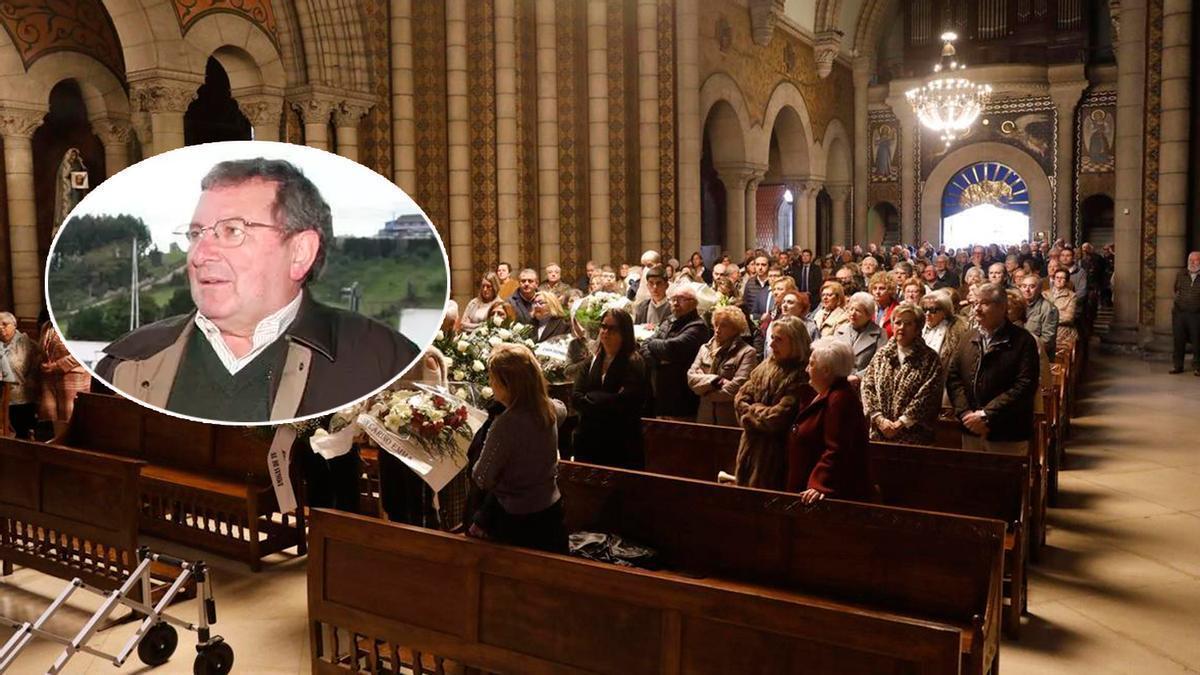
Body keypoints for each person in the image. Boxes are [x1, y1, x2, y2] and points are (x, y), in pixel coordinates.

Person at [94, 158, 419, 423]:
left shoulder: (386, 362)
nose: (199, 255)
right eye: (196, 234)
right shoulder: (125, 365)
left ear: (300, 252)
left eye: (232, 230)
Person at [470, 343, 568, 553]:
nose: (490, 383)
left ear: (508, 384)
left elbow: (482, 477)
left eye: (492, 378)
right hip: (550, 510)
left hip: (517, 520)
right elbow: (563, 409)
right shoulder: (549, 408)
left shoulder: (507, 424)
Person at [946, 283, 1040, 453]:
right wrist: (966, 414)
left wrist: (985, 415)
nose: (977, 309)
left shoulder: (1023, 341)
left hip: (1006, 432)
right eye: (975, 304)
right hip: (970, 429)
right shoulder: (968, 337)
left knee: (1005, 479)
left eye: (984, 303)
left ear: (1003, 307)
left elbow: (1025, 385)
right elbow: (953, 377)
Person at [786, 338, 876, 504]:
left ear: (826, 370)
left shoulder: (840, 399)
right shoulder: (824, 393)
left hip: (835, 497)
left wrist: (820, 484)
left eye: (811, 364)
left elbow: (837, 448)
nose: (806, 369)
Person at [733, 316, 814, 490]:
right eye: (772, 338)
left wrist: (751, 412)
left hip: (777, 456)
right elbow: (740, 399)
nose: (771, 345)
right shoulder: (765, 366)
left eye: (779, 340)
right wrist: (757, 412)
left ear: (795, 342)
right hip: (751, 448)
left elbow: (780, 416)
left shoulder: (803, 374)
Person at [571, 308, 648, 468]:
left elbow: (626, 403)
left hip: (620, 442)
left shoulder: (634, 362)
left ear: (624, 332)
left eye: (612, 328)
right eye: (603, 326)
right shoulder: (591, 361)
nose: (605, 332)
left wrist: (591, 398)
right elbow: (576, 398)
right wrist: (607, 398)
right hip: (589, 439)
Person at [861, 305, 945, 445]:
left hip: (914, 436)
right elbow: (868, 387)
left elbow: (928, 395)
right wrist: (879, 419)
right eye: (898, 322)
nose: (901, 327)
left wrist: (901, 423)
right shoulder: (882, 355)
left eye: (908, 324)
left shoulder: (929, 358)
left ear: (918, 328)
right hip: (880, 433)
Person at [640, 284, 712, 419]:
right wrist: (657, 361)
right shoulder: (669, 320)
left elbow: (671, 349)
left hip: (681, 397)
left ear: (693, 303)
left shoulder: (698, 327)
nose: (675, 303)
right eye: (672, 299)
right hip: (661, 395)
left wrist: (654, 345)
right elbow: (644, 345)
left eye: (680, 299)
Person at [687, 305, 758, 426]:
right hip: (704, 418)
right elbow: (691, 379)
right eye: (715, 324)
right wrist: (717, 381)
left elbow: (736, 389)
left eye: (723, 325)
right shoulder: (704, 349)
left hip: (729, 420)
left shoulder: (747, 352)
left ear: (736, 328)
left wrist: (703, 390)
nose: (717, 329)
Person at [37, 309, 90, 429]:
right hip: (49, 377)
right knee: (48, 413)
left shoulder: (78, 323)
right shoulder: (47, 325)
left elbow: (81, 353)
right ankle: (53, 443)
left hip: (73, 375)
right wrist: (42, 362)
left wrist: (56, 366)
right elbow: (42, 349)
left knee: (69, 414)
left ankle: (71, 444)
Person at [0, 313, 41, 439]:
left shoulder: (28, 344)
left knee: (21, 435)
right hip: (2, 398)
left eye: (4, 324)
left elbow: (29, 371)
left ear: (14, 325)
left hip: (22, 399)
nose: (1, 328)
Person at [832, 292, 887, 378]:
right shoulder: (840, 330)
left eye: (857, 310)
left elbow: (879, 364)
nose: (852, 313)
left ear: (869, 315)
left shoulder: (880, 334)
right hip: (839, 379)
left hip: (863, 382)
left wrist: (858, 377)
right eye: (851, 309)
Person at [921, 289, 969, 369]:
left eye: (932, 310)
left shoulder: (957, 333)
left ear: (945, 311)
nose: (927, 314)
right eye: (925, 310)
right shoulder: (918, 329)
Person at [1170, 251, 1200, 375]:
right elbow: (1175, 289)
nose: (1192, 263)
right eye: (1190, 260)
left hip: (1197, 314)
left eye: (1195, 260)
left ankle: (1198, 367)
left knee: (1197, 341)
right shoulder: (1181, 274)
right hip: (1180, 313)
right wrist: (1177, 301)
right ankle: (1178, 365)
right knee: (1178, 340)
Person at [1019, 273, 1059, 359]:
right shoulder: (1017, 306)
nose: (1027, 289)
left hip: (1037, 356)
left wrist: (1024, 351)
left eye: (1032, 286)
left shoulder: (1049, 309)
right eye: (1024, 286)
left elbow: (1047, 340)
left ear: (1040, 289)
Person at [1047, 268, 1079, 344]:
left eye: (1062, 278)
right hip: (1046, 330)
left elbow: (1068, 317)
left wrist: (1048, 316)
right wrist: (1060, 312)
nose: (1059, 280)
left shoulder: (1072, 296)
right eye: (1057, 277)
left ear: (1067, 281)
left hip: (1063, 332)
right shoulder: (1045, 294)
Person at [868, 272, 899, 338]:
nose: (877, 292)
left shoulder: (898, 310)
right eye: (874, 288)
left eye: (882, 288)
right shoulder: (868, 308)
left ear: (890, 290)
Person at [741, 255, 771, 320]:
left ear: (769, 266)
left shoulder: (772, 282)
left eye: (763, 265)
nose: (760, 267)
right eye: (757, 264)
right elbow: (746, 304)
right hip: (754, 321)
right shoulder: (750, 283)